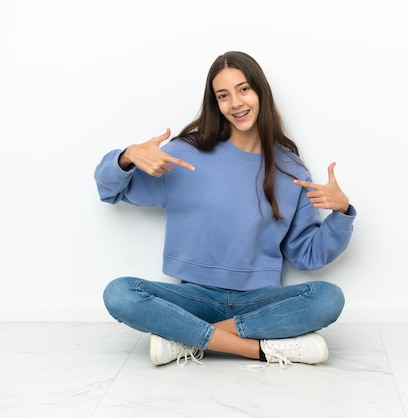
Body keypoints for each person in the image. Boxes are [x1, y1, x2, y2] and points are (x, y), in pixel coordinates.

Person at [94, 51, 356, 368]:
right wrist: (126, 156)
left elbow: (307, 255)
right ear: (215, 103)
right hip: (194, 299)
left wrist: (341, 213)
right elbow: (109, 190)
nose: (235, 103)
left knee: (328, 299)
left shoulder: (290, 169)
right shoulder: (184, 155)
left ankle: (185, 339)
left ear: (260, 92)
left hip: (258, 303)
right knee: (119, 293)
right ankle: (260, 350)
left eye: (243, 89)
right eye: (223, 95)